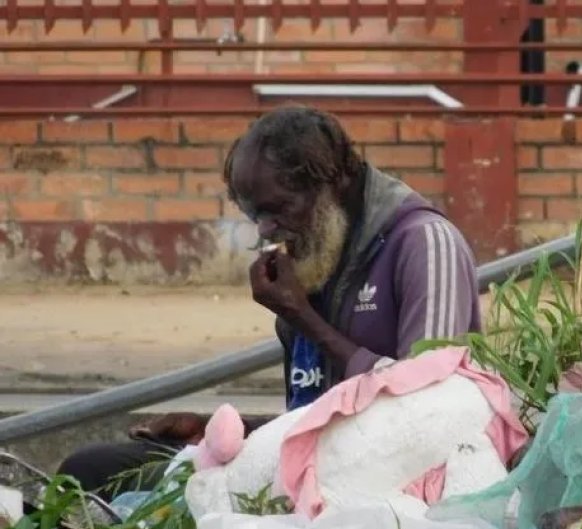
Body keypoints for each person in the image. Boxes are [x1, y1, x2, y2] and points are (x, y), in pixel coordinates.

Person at [56, 106, 482, 501]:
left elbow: (430, 413)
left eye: (278, 209)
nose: (264, 229)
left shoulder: (425, 244)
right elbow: (316, 416)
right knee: (90, 469)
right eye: (252, 213)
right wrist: (224, 432)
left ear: (334, 185)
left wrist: (305, 317)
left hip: (387, 489)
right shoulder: (321, 253)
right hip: (313, 465)